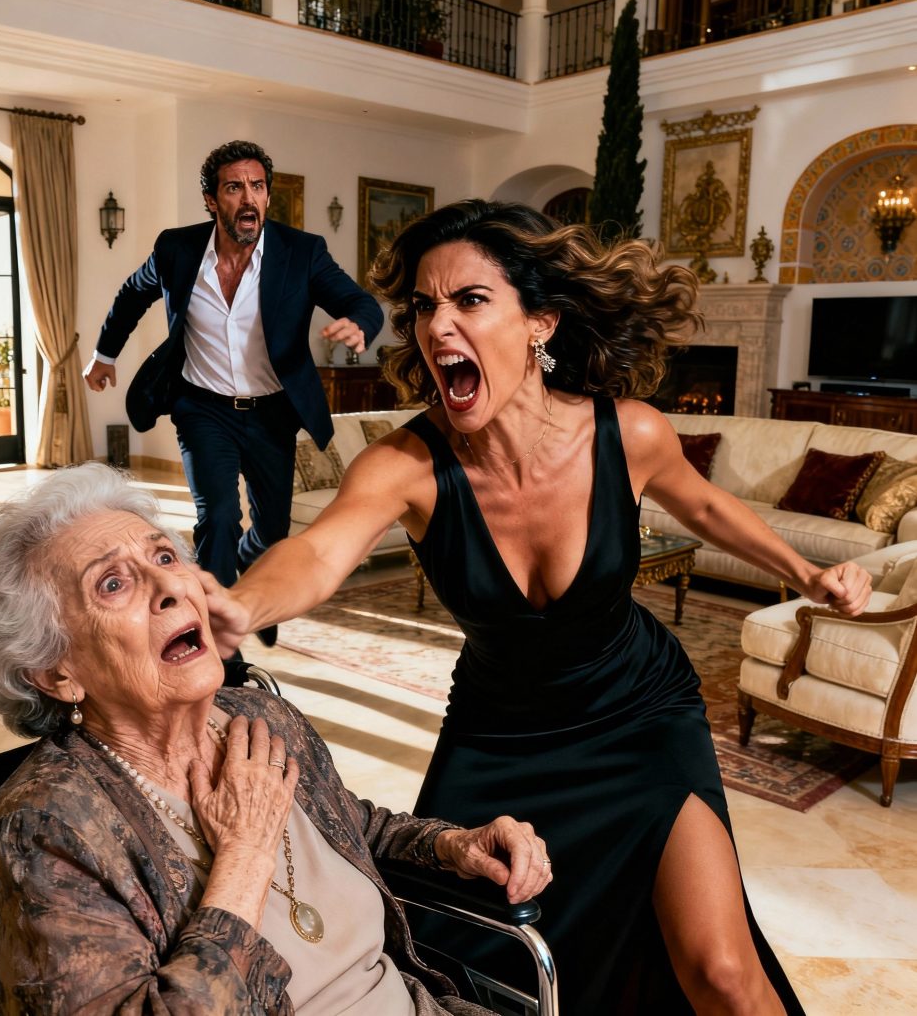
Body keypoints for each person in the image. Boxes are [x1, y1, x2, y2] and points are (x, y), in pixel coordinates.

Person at [196, 200, 874, 1013]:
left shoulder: (628, 433)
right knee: (463, 969)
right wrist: (241, 603)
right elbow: (317, 552)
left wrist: (808, 574)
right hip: (502, 738)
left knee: (722, 972)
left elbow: (707, 507)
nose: (438, 325)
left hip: (641, 715)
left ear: (540, 323)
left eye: (470, 300)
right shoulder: (404, 465)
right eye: (424, 306)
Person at [0, 462, 551, 1015]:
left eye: (165, 556)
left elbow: (350, 826)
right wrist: (243, 856)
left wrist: (451, 845)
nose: (168, 587)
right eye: (112, 584)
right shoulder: (46, 829)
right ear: (56, 672)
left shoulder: (259, 717)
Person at [84, 139, 383, 654]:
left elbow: (360, 301)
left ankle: (249, 581)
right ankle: (222, 647)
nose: (249, 198)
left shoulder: (301, 252)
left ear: (267, 195)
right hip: (202, 408)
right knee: (218, 518)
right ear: (211, 199)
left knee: (271, 531)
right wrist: (104, 354)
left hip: (271, 413)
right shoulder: (177, 250)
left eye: (258, 186)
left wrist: (359, 323)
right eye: (234, 187)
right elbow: (133, 294)